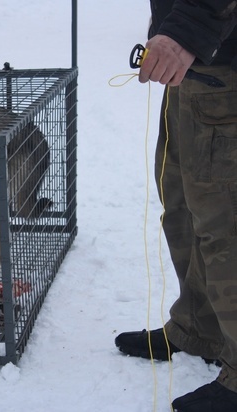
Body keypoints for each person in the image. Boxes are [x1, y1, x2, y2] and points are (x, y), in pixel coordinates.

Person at [114, 1, 237, 411]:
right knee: (183, 207)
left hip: (226, 64)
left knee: (226, 223)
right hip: (198, 68)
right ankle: (200, 329)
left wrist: (185, 29)